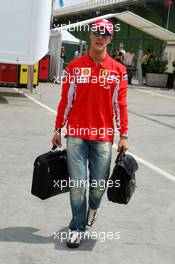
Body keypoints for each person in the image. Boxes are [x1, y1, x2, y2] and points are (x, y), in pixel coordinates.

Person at [52, 19, 129, 248]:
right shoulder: (74, 68)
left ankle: (93, 209)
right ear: (90, 35)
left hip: (103, 137)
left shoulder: (119, 71)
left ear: (110, 39)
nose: (100, 37)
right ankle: (76, 228)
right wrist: (58, 128)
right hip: (76, 135)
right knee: (77, 184)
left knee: (98, 187)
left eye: (105, 34)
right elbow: (66, 101)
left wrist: (123, 135)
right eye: (97, 32)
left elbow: (120, 105)